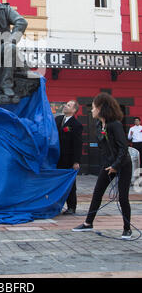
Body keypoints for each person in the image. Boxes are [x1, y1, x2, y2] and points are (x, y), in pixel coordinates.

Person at [73, 92, 132, 239]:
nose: (91, 110)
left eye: (93, 107)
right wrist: (108, 164)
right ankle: (88, 223)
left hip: (123, 164)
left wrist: (116, 166)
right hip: (108, 164)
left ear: (101, 108)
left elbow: (123, 148)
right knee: (97, 193)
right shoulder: (99, 124)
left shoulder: (115, 125)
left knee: (123, 197)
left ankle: (127, 229)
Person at [55, 100, 83, 215]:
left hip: (68, 159)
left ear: (74, 110)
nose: (65, 106)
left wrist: (76, 161)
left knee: (70, 183)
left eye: (68, 105)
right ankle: (56, 205)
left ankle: (72, 206)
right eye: (66, 104)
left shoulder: (76, 125)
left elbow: (78, 144)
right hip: (56, 157)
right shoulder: (57, 119)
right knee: (57, 182)